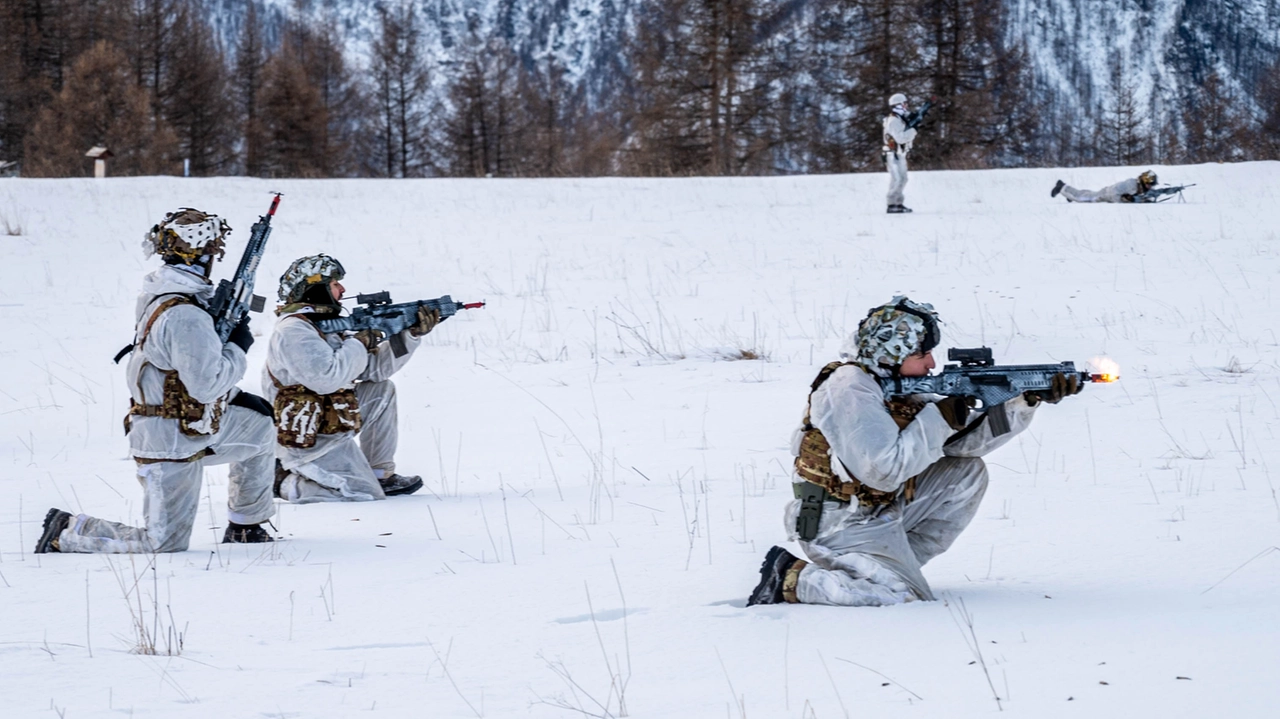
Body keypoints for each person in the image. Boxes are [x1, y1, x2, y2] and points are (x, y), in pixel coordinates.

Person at [746, 297, 1083, 607]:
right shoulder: (849, 388)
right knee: (904, 598)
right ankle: (794, 579)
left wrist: (1022, 400)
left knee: (965, 473)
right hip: (839, 523)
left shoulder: (891, 381)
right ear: (892, 354)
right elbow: (882, 470)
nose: (932, 363)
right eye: (921, 355)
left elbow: (962, 446)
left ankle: (888, 563)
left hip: (881, 508)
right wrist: (941, 416)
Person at [35, 209, 278, 554]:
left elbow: (183, 372)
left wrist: (239, 398)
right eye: (212, 248)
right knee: (162, 543)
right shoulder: (184, 314)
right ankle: (70, 529)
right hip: (167, 440)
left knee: (260, 427)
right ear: (201, 253)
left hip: (189, 425)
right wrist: (238, 348)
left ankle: (246, 526)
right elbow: (206, 385)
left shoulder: (175, 297)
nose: (215, 255)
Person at [263, 254, 439, 503]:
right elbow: (326, 379)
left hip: (332, 420)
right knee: (364, 493)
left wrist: (409, 335)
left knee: (381, 390)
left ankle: (380, 473)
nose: (342, 289)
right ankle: (283, 482)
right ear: (315, 289)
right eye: (335, 284)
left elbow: (374, 371)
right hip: (306, 438)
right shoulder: (294, 331)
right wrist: (358, 342)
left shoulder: (326, 326)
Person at [883, 93, 918, 214]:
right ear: (899, 105)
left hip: (898, 153)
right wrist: (913, 131)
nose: (907, 106)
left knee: (901, 179)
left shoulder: (898, 119)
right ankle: (892, 204)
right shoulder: (894, 121)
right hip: (893, 154)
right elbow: (901, 138)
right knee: (899, 179)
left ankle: (897, 203)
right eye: (905, 103)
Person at [1051, 170, 1157, 203]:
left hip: (1107, 193)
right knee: (1082, 198)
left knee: (1085, 194)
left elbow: (1134, 197)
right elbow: (1116, 191)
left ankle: (1069, 192)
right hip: (1106, 195)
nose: (1150, 187)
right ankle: (1061, 188)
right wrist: (1120, 200)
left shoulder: (1138, 186)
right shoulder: (1131, 183)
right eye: (1149, 184)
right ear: (1144, 181)